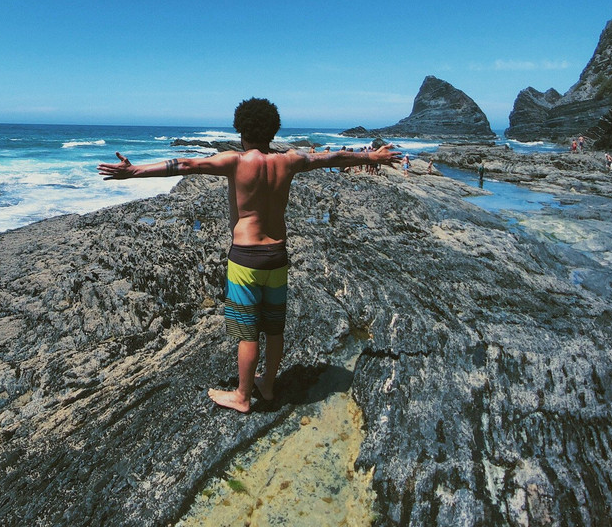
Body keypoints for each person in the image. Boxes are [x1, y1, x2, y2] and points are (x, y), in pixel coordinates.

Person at [98, 98, 400, 413]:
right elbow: (331, 157)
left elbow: (185, 164)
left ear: (242, 130)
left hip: (246, 259)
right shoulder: (290, 160)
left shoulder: (236, 161)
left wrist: (133, 171)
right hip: (277, 255)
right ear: (273, 130)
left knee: (247, 332)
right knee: (274, 328)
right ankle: (266, 385)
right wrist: (372, 156)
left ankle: (242, 396)